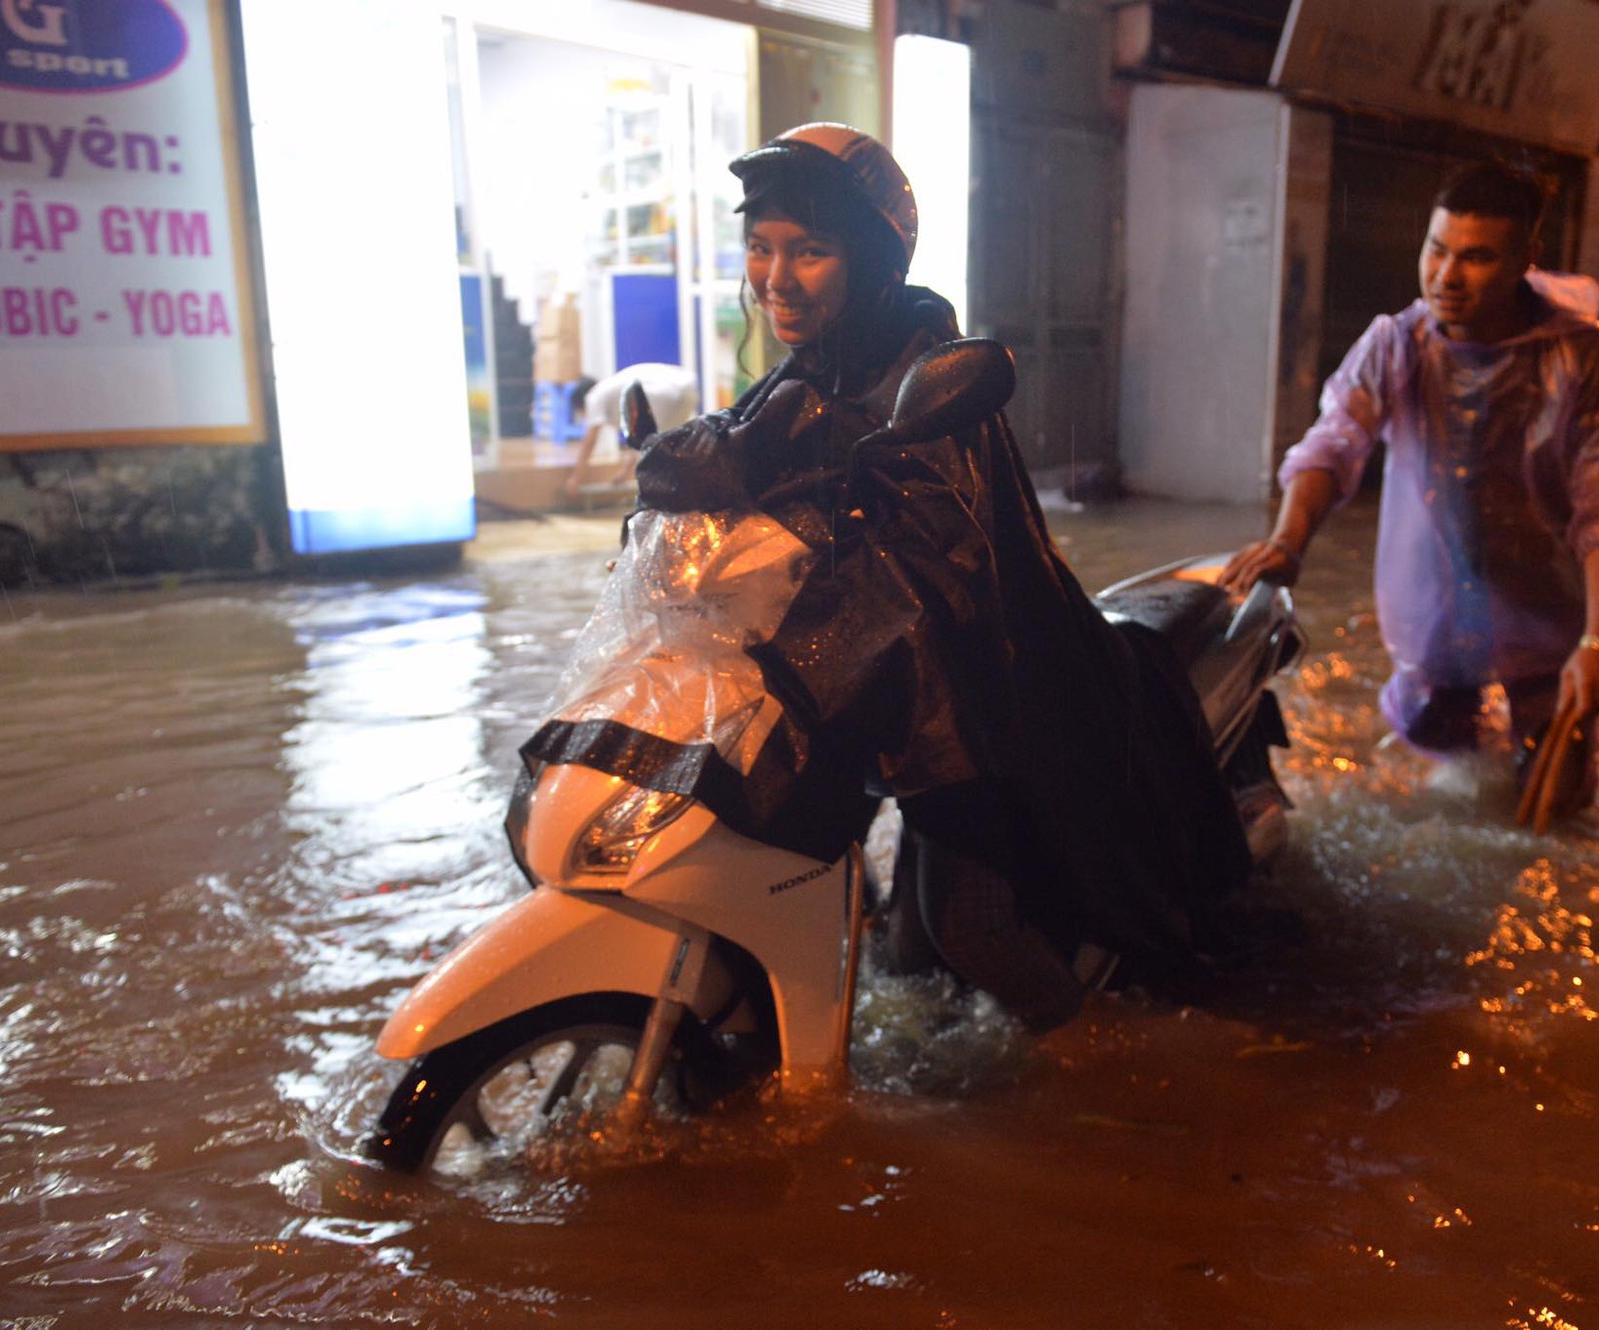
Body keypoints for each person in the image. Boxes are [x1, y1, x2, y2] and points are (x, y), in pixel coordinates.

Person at [521, 123, 1251, 1028]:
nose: (776, 278)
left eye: (810, 251)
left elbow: (936, 565)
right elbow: (734, 462)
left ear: (870, 259)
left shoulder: (925, 371)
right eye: (761, 247)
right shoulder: (816, 365)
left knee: (967, 931)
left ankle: (1099, 1077)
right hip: (877, 683)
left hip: (992, 692)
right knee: (890, 945)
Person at [1221, 159, 1599, 818]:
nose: (1446, 277)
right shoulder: (1396, 343)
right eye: (1436, 249)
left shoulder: (1591, 360)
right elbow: (1334, 443)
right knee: (1450, 787)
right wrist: (1289, 541)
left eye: (1476, 258)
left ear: (1526, 259)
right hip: (1436, 613)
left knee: (1559, 800)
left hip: (1549, 609)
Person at [564, 363, 697, 498]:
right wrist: (625, 472)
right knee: (671, 446)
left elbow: (590, 440)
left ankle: (661, 498)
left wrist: (576, 478)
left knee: (656, 451)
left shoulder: (593, 397)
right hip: (688, 387)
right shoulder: (611, 389)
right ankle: (684, 494)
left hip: (664, 392)